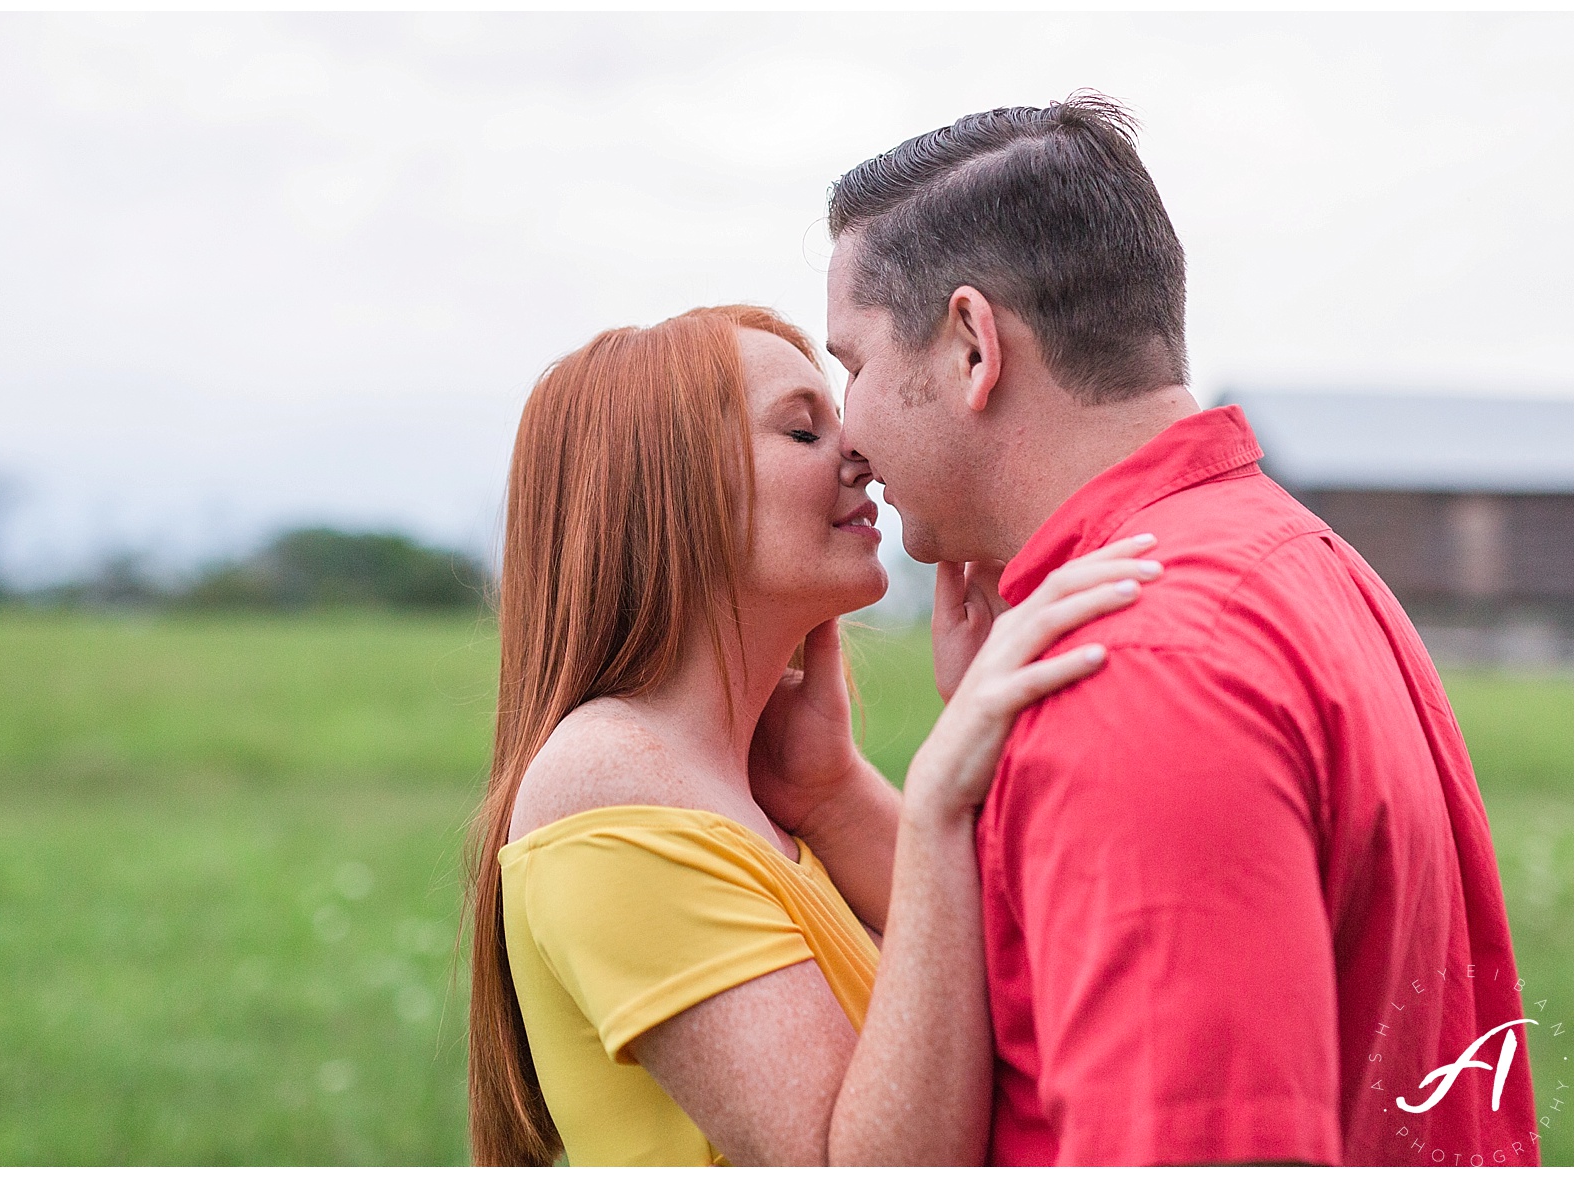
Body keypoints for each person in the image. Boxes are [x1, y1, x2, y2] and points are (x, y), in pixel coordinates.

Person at [816, 94, 1539, 1165]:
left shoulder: (1132, 668)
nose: (848, 428)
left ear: (972, 345)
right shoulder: (1295, 558)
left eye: (853, 366)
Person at [465, 303, 1163, 1165]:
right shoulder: (607, 782)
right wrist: (944, 792)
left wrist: (833, 795)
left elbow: (1029, 985)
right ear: (665, 491)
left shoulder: (754, 791)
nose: (860, 455)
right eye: (803, 432)